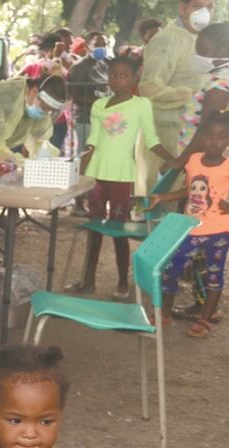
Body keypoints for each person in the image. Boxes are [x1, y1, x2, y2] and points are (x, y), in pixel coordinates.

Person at [151, 111, 229, 337]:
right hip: (190, 229)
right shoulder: (193, 160)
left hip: (219, 232)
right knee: (171, 269)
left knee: (214, 275)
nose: (215, 141)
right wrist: (162, 197)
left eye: (221, 137)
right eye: (210, 135)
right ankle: (164, 315)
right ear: (202, 136)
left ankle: (204, 321)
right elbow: (190, 190)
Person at [73, 54, 175, 298]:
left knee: (119, 229)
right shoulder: (99, 105)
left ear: (134, 78)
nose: (117, 80)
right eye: (113, 75)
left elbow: (151, 140)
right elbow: (93, 141)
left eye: (123, 75)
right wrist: (80, 169)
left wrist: (174, 160)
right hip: (96, 174)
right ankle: (87, 281)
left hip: (121, 175)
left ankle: (122, 283)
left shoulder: (141, 105)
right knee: (94, 228)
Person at [138, 0, 213, 196]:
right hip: (167, 134)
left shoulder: (206, 39)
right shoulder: (167, 39)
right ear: (183, 7)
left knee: (194, 194)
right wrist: (189, 95)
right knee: (162, 194)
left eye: (209, 6)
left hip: (198, 132)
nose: (204, 12)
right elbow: (150, 87)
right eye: (198, 6)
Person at [175, 23, 229, 163]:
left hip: (206, 160)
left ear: (223, 51)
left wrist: (181, 162)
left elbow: (206, 132)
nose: (198, 56)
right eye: (197, 51)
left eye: (203, 51)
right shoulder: (226, 68)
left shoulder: (219, 86)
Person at [68, 32, 111, 153]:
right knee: (86, 153)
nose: (101, 48)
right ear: (87, 46)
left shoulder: (104, 64)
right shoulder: (79, 67)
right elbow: (73, 95)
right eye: (97, 45)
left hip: (103, 118)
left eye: (104, 45)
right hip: (85, 119)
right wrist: (97, 102)